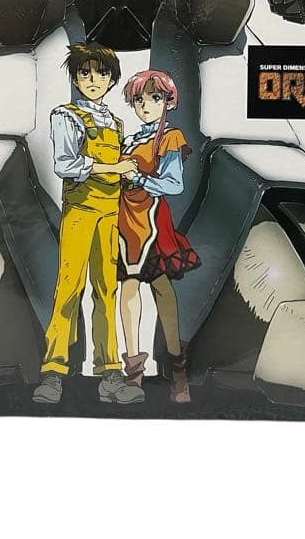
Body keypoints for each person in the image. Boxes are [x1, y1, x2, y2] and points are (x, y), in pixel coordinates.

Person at [33, 43, 144, 405]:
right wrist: (116, 167)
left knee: (106, 292)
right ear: (75, 79)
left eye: (101, 73)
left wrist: (132, 174)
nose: (93, 80)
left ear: (112, 80)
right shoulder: (65, 116)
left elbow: (119, 171)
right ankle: (53, 371)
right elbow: (66, 165)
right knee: (69, 289)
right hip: (80, 212)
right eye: (85, 73)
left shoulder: (116, 123)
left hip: (110, 215)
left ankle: (109, 373)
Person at [117, 70, 200, 403]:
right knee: (129, 288)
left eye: (154, 98)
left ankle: (178, 372)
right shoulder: (129, 140)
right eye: (139, 99)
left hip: (152, 220)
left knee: (162, 288)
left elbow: (174, 184)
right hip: (125, 220)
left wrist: (139, 178)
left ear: (169, 101)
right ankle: (133, 374)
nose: (146, 106)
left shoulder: (170, 137)